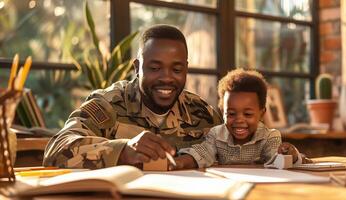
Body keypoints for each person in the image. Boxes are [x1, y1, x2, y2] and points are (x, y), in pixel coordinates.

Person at [43, 24, 222, 169]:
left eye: (176, 69)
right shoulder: (107, 104)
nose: (167, 78)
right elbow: (55, 151)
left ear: (186, 69)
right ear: (137, 67)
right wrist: (122, 151)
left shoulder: (202, 112)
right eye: (154, 68)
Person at [172, 68, 303, 169]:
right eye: (231, 114)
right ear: (222, 112)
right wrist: (179, 162)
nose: (239, 120)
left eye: (248, 114)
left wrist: (290, 154)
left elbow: (277, 158)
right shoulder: (216, 135)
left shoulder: (270, 137)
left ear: (262, 113)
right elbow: (202, 153)